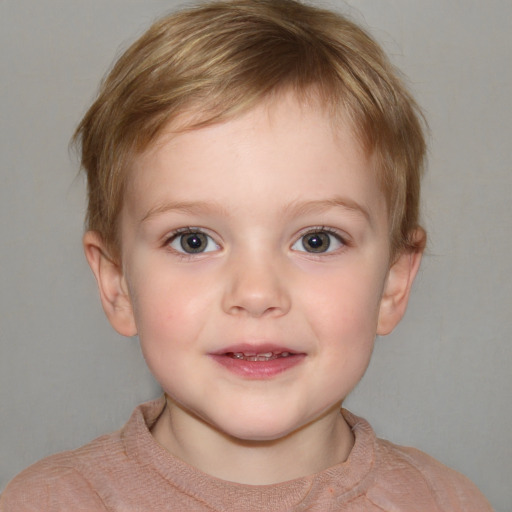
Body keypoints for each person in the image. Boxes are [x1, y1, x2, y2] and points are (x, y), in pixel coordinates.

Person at [0, 0, 493, 510]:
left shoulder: (447, 501)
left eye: (317, 240)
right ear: (117, 283)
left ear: (393, 281)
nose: (256, 293)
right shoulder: (49, 502)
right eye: (194, 240)